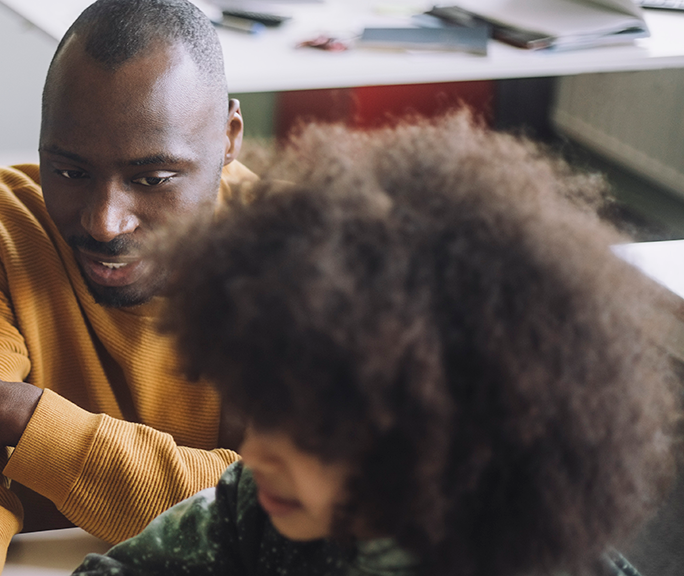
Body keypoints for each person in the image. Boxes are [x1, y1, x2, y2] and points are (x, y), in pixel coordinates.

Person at [73, 116, 681, 576]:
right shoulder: (255, 512)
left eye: (310, 434)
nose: (253, 454)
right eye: (259, 412)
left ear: (435, 435)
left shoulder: (544, 560)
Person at [0, 1, 255, 573]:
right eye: (71, 172)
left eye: (152, 179)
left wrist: (21, 416)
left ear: (228, 137)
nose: (104, 221)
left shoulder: (308, 256)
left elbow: (280, 513)